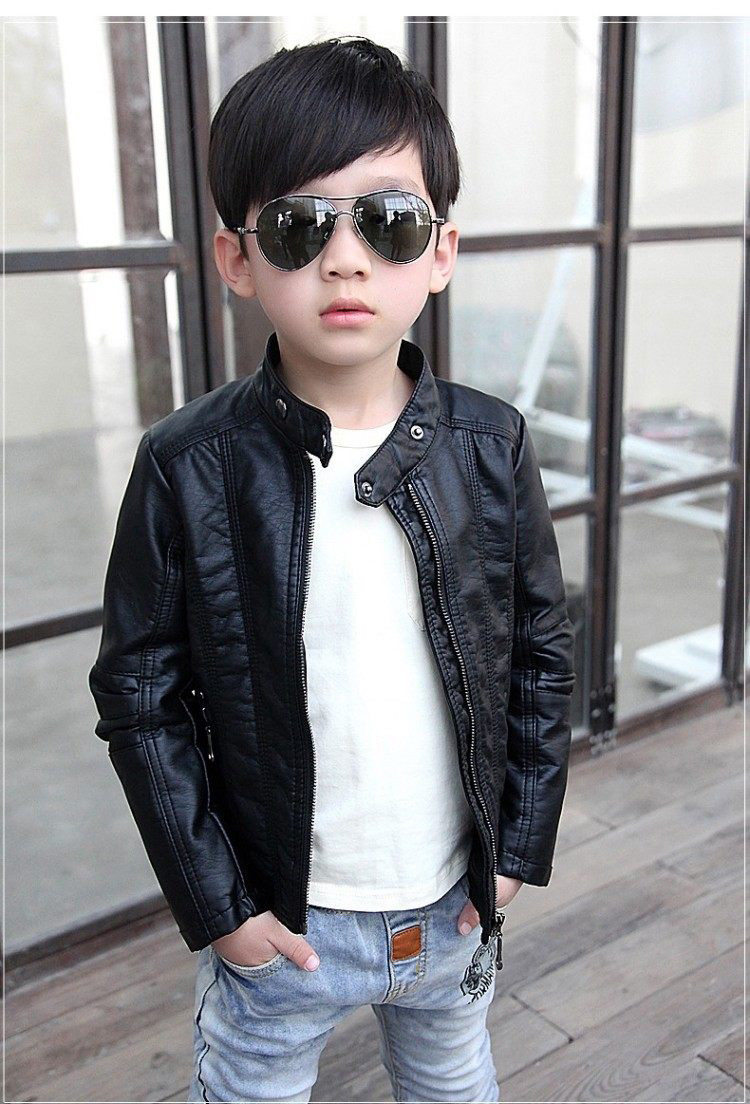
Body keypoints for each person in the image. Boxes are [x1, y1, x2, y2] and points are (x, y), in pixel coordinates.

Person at [88, 35, 575, 1104]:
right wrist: (220, 910)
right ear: (237, 260)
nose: (346, 260)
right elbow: (139, 696)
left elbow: (542, 653)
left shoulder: (491, 446)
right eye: (299, 226)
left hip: (451, 908)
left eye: (389, 222)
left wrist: (515, 850)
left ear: (440, 252)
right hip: (280, 926)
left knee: (453, 1081)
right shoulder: (187, 465)